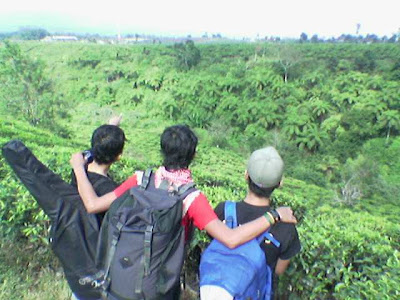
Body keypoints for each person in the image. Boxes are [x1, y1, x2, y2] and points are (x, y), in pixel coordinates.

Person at [70, 124, 297, 296]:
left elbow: (93, 204)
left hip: (122, 272)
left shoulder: (140, 179)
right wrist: (274, 215)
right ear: (193, 156)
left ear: (162, 150)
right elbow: (230, 238)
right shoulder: (191, 198)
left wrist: (79, 168)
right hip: (160, 282)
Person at [201, 146, 301, 300]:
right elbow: (278, 271)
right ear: (280, 183)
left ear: (246, 175)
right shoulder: (286, 228)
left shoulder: (223, 211)